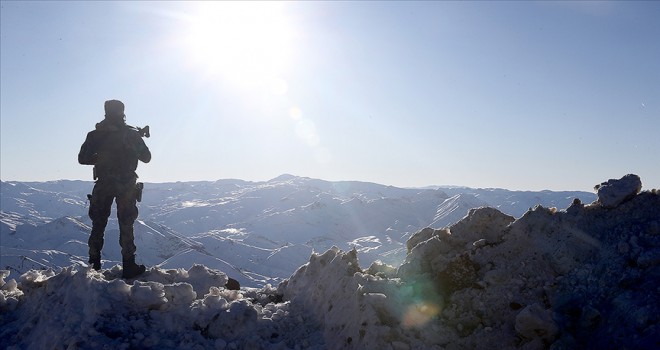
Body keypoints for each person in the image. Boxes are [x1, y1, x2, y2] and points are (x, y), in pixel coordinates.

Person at [78, 99, 151, 279]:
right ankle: (128, 265)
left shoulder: (95, 135)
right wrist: (132, 146)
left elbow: (82, 158)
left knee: (98, 223)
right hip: (125, 184)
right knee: (126, 223)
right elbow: (146, 157)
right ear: (122, 112)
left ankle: (93, 265)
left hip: (103, 183)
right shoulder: (130, 135)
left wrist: (102, 158)